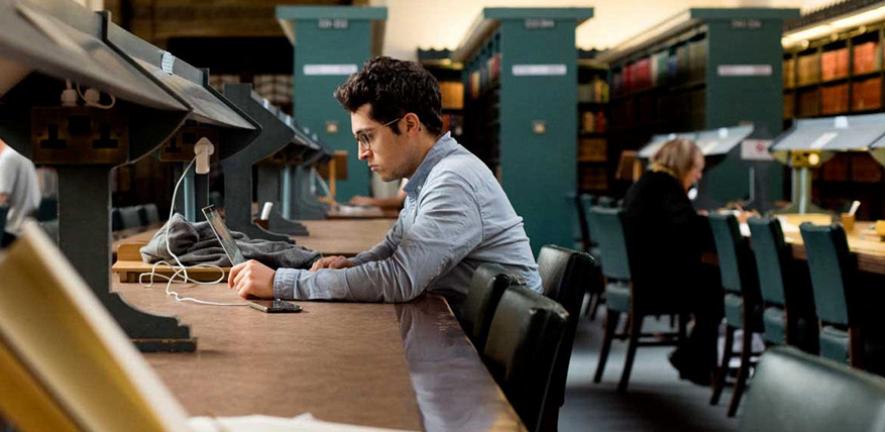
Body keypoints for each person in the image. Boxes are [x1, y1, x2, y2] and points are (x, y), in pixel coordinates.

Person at [229, 56, 541, 313]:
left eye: (367, 137)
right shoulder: (431, 175)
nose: (361, 153)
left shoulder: (453, 180)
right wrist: (350, 265)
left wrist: (281, 283)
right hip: (468, 329)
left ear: (410, 125)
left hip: (486, 362)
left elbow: (399, 279)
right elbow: (394, 247)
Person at [622, 138, 721, 385]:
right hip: (660, 285)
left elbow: (676, 224)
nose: (698, 177)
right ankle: (693, 361)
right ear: (683, 165)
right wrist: (716, 223)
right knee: (718, 286)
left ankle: (692, 359)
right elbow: (689, 230)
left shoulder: (648, 182)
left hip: (646, 277)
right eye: (696, 170)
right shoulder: (665, 186)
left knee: (712, 281)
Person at [0, 137, 40, 245]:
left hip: (14, 227)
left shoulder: (7, 158)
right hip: (29, 224)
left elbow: (2, 196)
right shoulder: (20, 153)